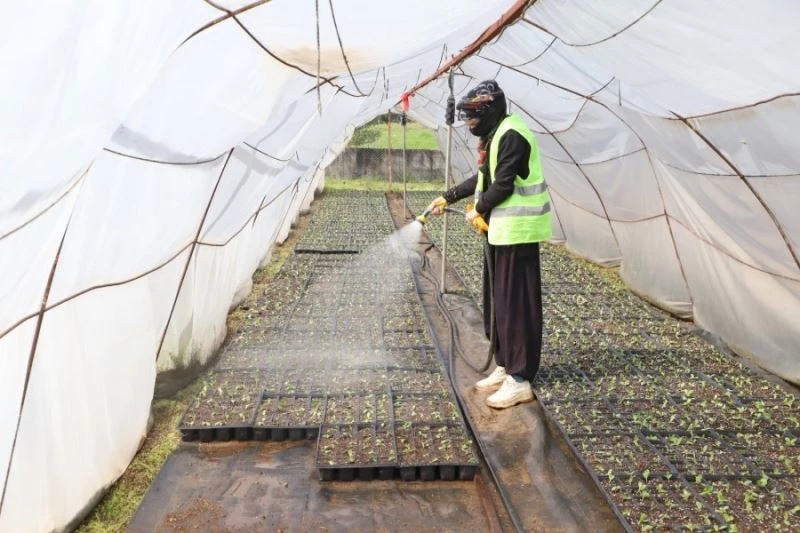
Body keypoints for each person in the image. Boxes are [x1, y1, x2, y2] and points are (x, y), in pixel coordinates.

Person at [426, 79, 552, 409]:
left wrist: (478, 209)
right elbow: (484, 179)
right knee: (499, 302)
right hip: (500, 232)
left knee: (516, 304)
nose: (469, 122)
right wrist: (449, 196)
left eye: (473, 115)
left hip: (518, 232)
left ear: (490, 110)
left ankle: (520, 379)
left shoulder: (512, 134)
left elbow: (504, 185)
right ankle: (506, 364)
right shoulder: (496, 135)